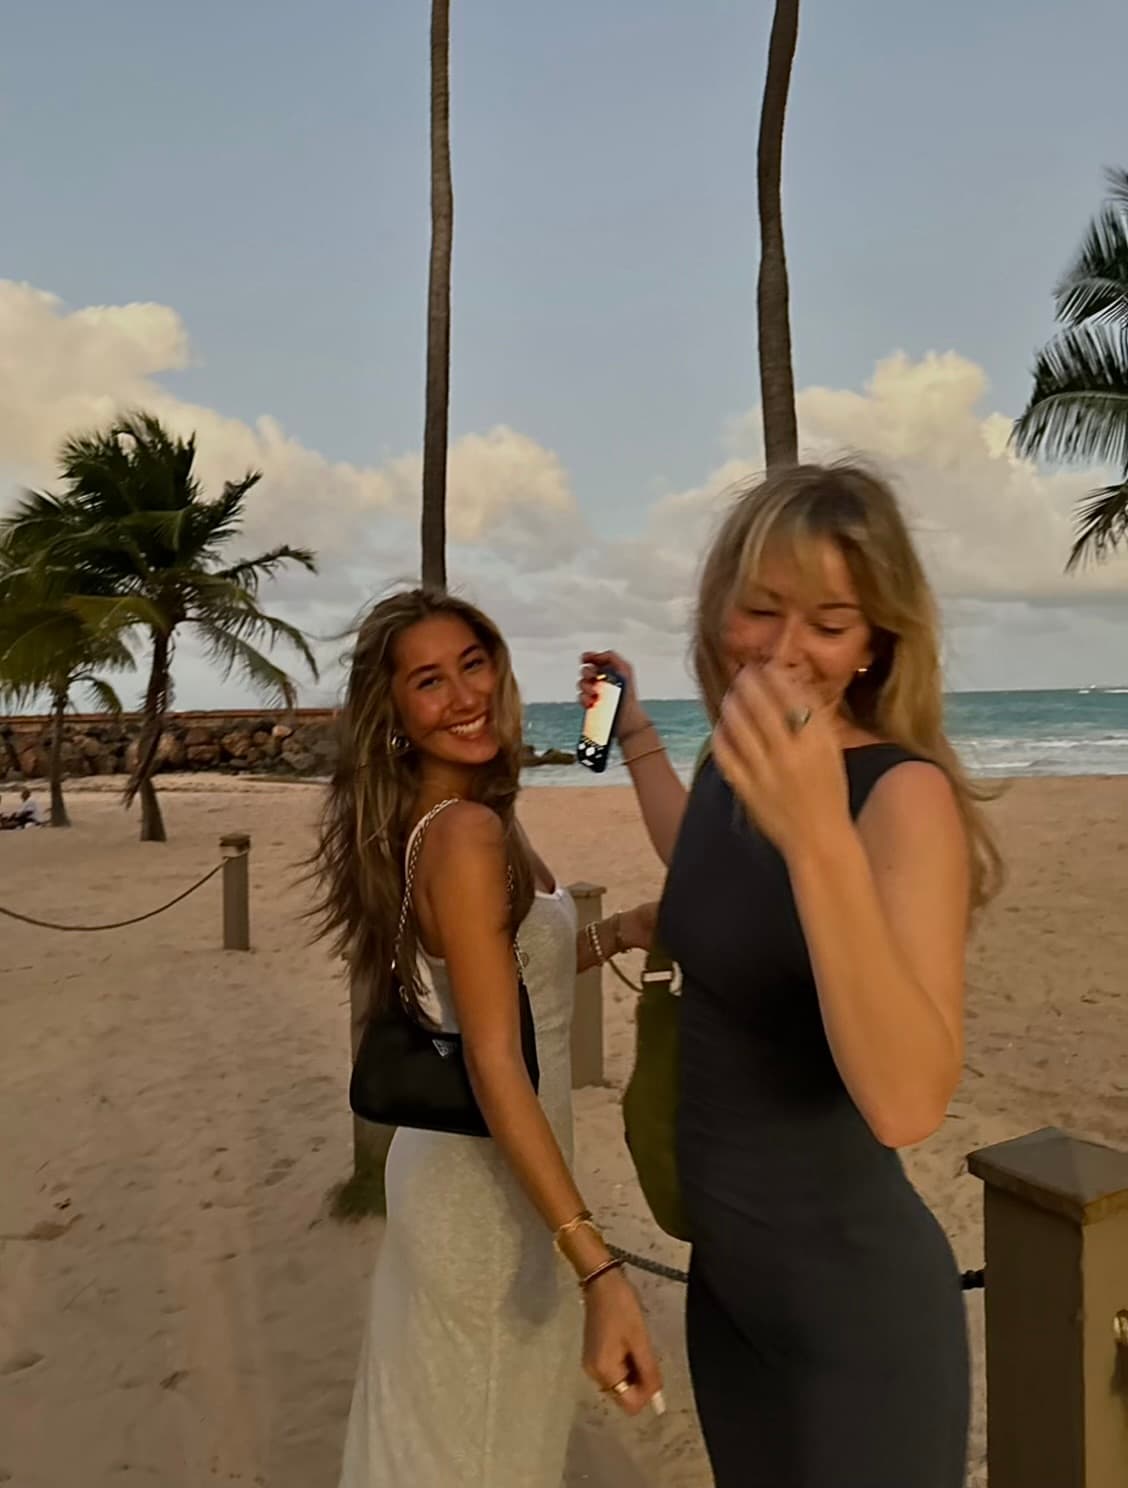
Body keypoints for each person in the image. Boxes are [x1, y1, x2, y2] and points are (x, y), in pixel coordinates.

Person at [581, 461, 1001, 1488]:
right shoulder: (740, 761)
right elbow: (715, 869)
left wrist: (820, 835)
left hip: (854, 1322)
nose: (784, 649)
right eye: (760, 609)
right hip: (732, 1298)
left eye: (829, 620)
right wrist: (636, 735)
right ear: (720, 610)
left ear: (875, 642)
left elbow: (908, 1101)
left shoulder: (901, 799)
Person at [313, 588, 664, 1488]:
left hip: (476, 1178)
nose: (464, 695)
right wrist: (598, 1264)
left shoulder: (461, 814)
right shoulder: (465, 835)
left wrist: (620, 929)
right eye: (429, 682)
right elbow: (494, 1055)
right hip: (487, 1205)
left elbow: (515, 988)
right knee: (479, 1456)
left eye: (473, 664)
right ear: (394, 713)